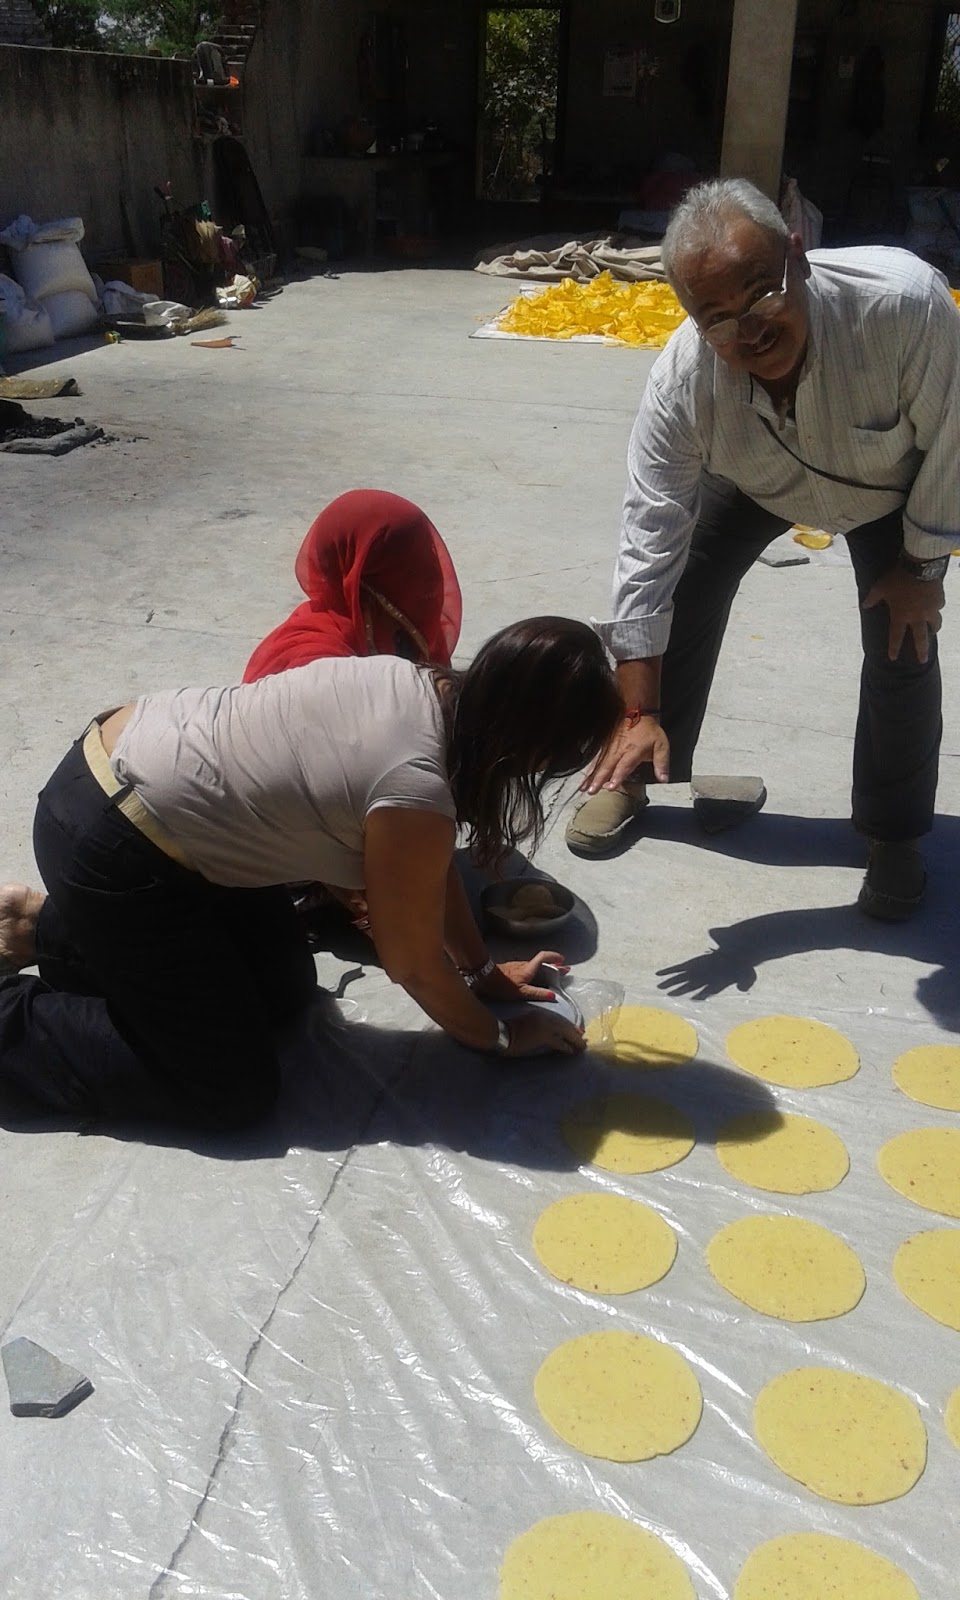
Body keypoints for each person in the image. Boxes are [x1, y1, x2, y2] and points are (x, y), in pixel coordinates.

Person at [0, 618, 622, 1129]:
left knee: (283, 990)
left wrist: (483, 973)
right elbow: (411, 963)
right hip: (115, 842)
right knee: (229, 1088)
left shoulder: (425, 687)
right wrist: (499, 1038)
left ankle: (48, 930)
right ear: (530, 749)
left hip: (138, 784)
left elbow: (426, 871)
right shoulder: (415, 784)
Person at [568, 177, 959, 920]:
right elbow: (648, 538)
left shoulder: (905, 307)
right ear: (691, 319)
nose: (748, 330)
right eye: (717, 318)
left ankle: (894, 832)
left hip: (887, 490)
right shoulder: (683, 381)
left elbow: (955, 439)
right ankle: (639, 764)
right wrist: (633, 706)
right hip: (755, 480)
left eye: (761, 293)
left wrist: (922, 566)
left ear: (798, 257)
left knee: (903, 635)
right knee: (684, 585)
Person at [243, 489, 462, 680]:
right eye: (410, 564)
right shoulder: (311, 663)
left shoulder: (407, 635)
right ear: (362, 575)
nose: (430, 576)